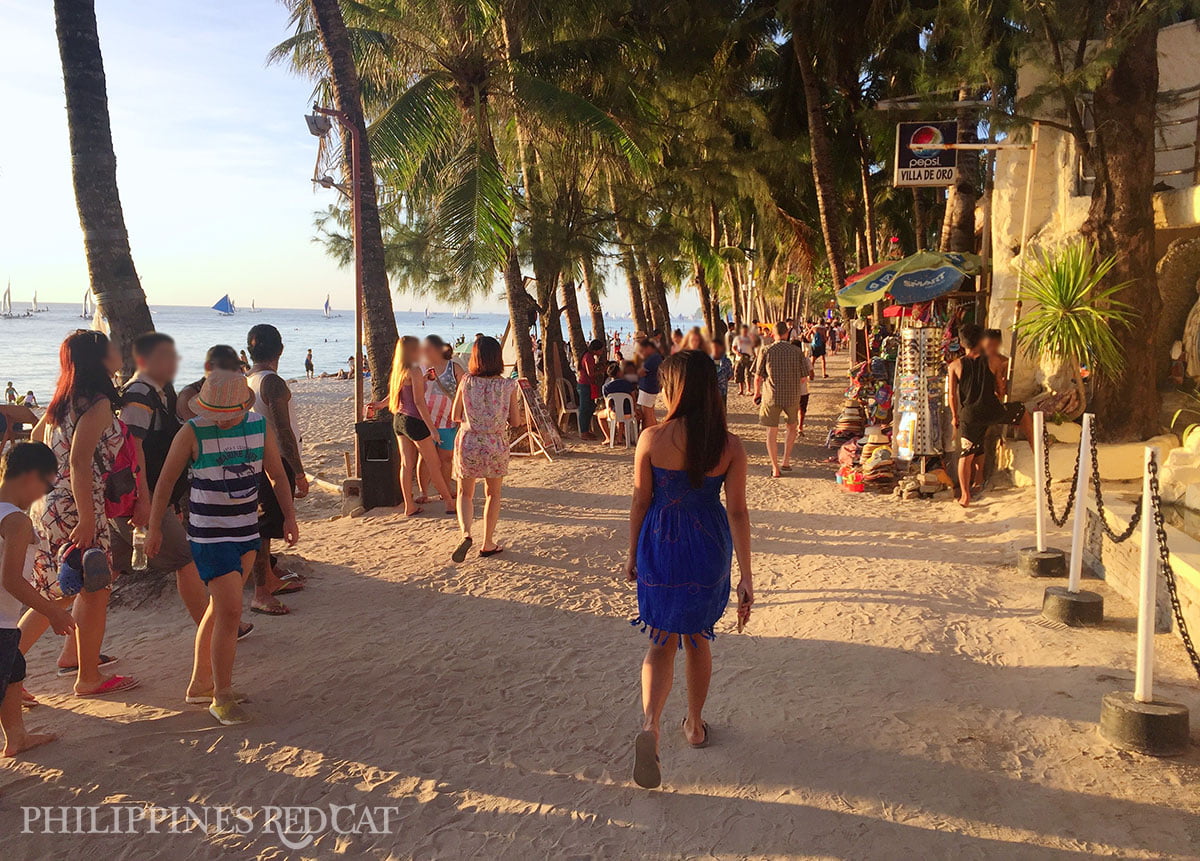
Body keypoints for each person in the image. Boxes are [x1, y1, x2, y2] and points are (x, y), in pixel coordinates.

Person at [623, 350, 753, 789]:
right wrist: (746, 576)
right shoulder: (730, 445)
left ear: (676, 389)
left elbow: (641, 501)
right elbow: (737, 512)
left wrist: (631, 554)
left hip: (660, 543)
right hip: (707, 546)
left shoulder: (652, 439)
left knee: (661, 640)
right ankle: (694, 725)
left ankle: (650, 726)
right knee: (696, 639)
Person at [148, 370, 298, 724]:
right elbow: (166, 481)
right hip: (208, 533)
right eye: (215, 414)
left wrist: (289, 517)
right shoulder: (192, 431)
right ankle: (222, 695)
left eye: (228, 414)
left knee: (219, 609)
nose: (222, 421)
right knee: (231, 610)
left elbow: (276, 473)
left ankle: (201, 684)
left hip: (246, 529)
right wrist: (154, 528)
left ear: (242, 407)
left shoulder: (258, 427)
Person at [25, 330, 139, 697]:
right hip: (77, 504)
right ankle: (87, 677)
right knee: (94, 591)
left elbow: (35, 440)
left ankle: (10, 670)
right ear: (98, 359)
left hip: (49, 502)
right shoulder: (99, 402)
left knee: (54, 595)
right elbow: (79, 459)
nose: (117, 352)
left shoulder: (62, 400)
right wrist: (88, 516)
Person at [110, 332, 223, 639]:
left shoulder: (161, 393)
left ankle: (72, 655)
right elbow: (133, 453)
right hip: (136, 498)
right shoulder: (139, 396)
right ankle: (213, 632)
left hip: (136, 498)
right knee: (185, 558)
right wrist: (145, 501)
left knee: (105, 573)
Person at [0, 442, 77, 756]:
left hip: (5, 622)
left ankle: (17, 737)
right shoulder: (16, 521)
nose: (44, 493)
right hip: (0, 622)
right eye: (47, 484)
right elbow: (11, 579)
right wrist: (53, 612)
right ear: (31, 476)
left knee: (15, 671)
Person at [245, 325, 309, 615]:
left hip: (252, 457)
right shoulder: (273, 383)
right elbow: (283, 431)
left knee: (265, 522)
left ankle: (268, 575)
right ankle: (261, 591)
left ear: (249, 351)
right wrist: (298, 471)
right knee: (266, 525)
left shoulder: (248, 380)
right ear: (280, 350)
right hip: (273, 460)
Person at [449, 337, 520, 563]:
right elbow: (516, 421)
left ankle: (466, 534)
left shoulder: (467, 382)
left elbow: (455, 415)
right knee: (493, 494)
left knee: (465, 493)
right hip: (495, 443)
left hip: (469, 441)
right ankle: (488, 542)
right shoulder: (508, 385)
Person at [948, 324, 1034, 508]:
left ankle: (965, 496)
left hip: (970, 415)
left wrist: (955, 417)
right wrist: (1002, 382)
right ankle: (1036, 451)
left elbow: (951, 396)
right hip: (992, 411)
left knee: (966, 454)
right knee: (1023, 413)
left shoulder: (954, 366)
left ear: (962, 343)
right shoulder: (994, 361)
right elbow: (1000, 390)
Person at [386, 336, 456, 517]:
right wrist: (432, 428)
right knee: (434, 464)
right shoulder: (414, 370)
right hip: (415, 421)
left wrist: (424, 380)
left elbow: (401, 396)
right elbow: (419, 403)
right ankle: (448, 502)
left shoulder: (398, 371)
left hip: (399, 420)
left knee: (406, 465)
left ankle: (409, 505)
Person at [755, 322, 811, 478]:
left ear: (773, 334)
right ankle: (786, 460)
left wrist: (756, 393)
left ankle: (775, 468)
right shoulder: (796, 351)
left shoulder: (766, 350)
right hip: (792, 395)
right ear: (787, 333)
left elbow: (758, 376)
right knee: (791, 427)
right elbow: (803, 378)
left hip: (771, 395)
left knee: (771, 431)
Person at [419, 335, 464, 499]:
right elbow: (408, 388)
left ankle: (444, 490)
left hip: (448, 419)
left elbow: (464, 388)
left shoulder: (454, 367)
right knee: (425, 458)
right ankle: (424, 492)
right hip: (425, 419)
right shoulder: (421, 368)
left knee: (446, 458)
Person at [178, 345, 244, 422]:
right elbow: (200, 429)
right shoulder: (189, 394)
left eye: (237, 367)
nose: (235, 372)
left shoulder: (227, 391)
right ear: (208, 367)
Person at [596, 362, 639, 444]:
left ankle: (608, 438)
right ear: (619, 372)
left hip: (614, 414)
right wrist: (634, 409)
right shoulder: (628, 384)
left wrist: (609, 411)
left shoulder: (606, 387)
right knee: (638, 415)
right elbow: (633, 398)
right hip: (629, 413)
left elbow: (608, 404)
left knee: (600, 416)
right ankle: (622, 437)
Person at [576, 339, 606, 441]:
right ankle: (583, 432)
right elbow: (590, 373)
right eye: (601, 350)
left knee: (590, 406)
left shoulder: (589, 357)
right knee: (584, 408)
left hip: (587, 384)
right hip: (585, 384)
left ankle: (586, 429)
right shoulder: (589, 357)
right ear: (596, 350)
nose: (601, 352)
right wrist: (602, 371)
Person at [636, 339, 664, 428]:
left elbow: (641, 372)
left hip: (647, 388)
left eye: (642, 351)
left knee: (647, 414)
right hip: (650, 387)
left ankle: (648, 431)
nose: (641, 353)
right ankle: (654, 432)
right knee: (650, 413)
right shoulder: (655, 357)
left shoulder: (653, 358)